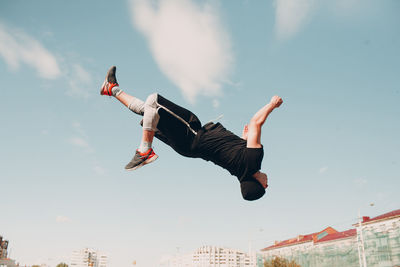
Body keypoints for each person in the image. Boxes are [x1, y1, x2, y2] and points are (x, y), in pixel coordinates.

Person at [100, 66, 283, 201]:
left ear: (256, 182)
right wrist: (244, 140)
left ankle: (144, 151)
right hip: (188, 147)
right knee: (149, 111)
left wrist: (272, 105)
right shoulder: (240, 170)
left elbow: (256, 122)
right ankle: (112, 89)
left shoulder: (252, 163)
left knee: (153, 101)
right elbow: (231, 153)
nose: (268, 183)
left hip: (193, 134)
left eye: (265, 186)